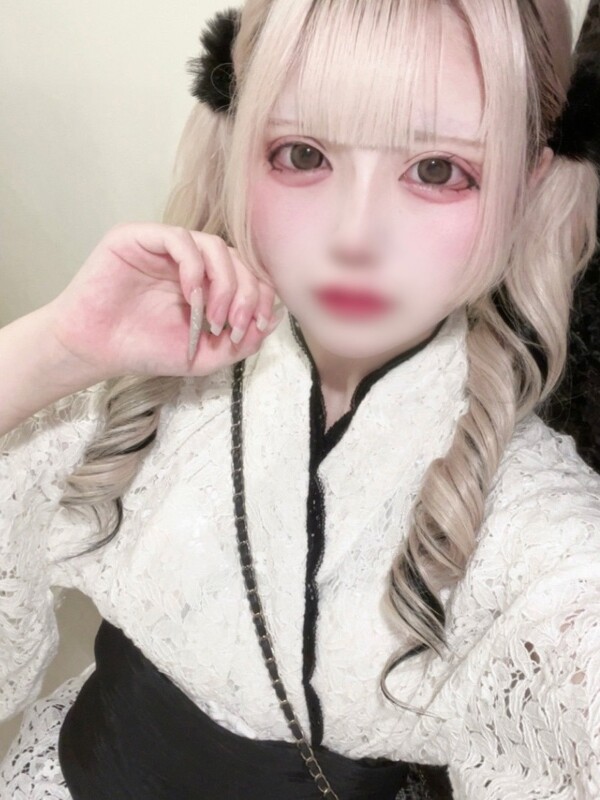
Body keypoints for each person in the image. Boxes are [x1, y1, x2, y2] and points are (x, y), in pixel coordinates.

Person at [0, 0, 599, 797]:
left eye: (437, 171)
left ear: (530, 182)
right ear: (237, 140)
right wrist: (51, 353)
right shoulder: (146, 373)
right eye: (302, 154)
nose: (354, 235)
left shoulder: (539, 526)